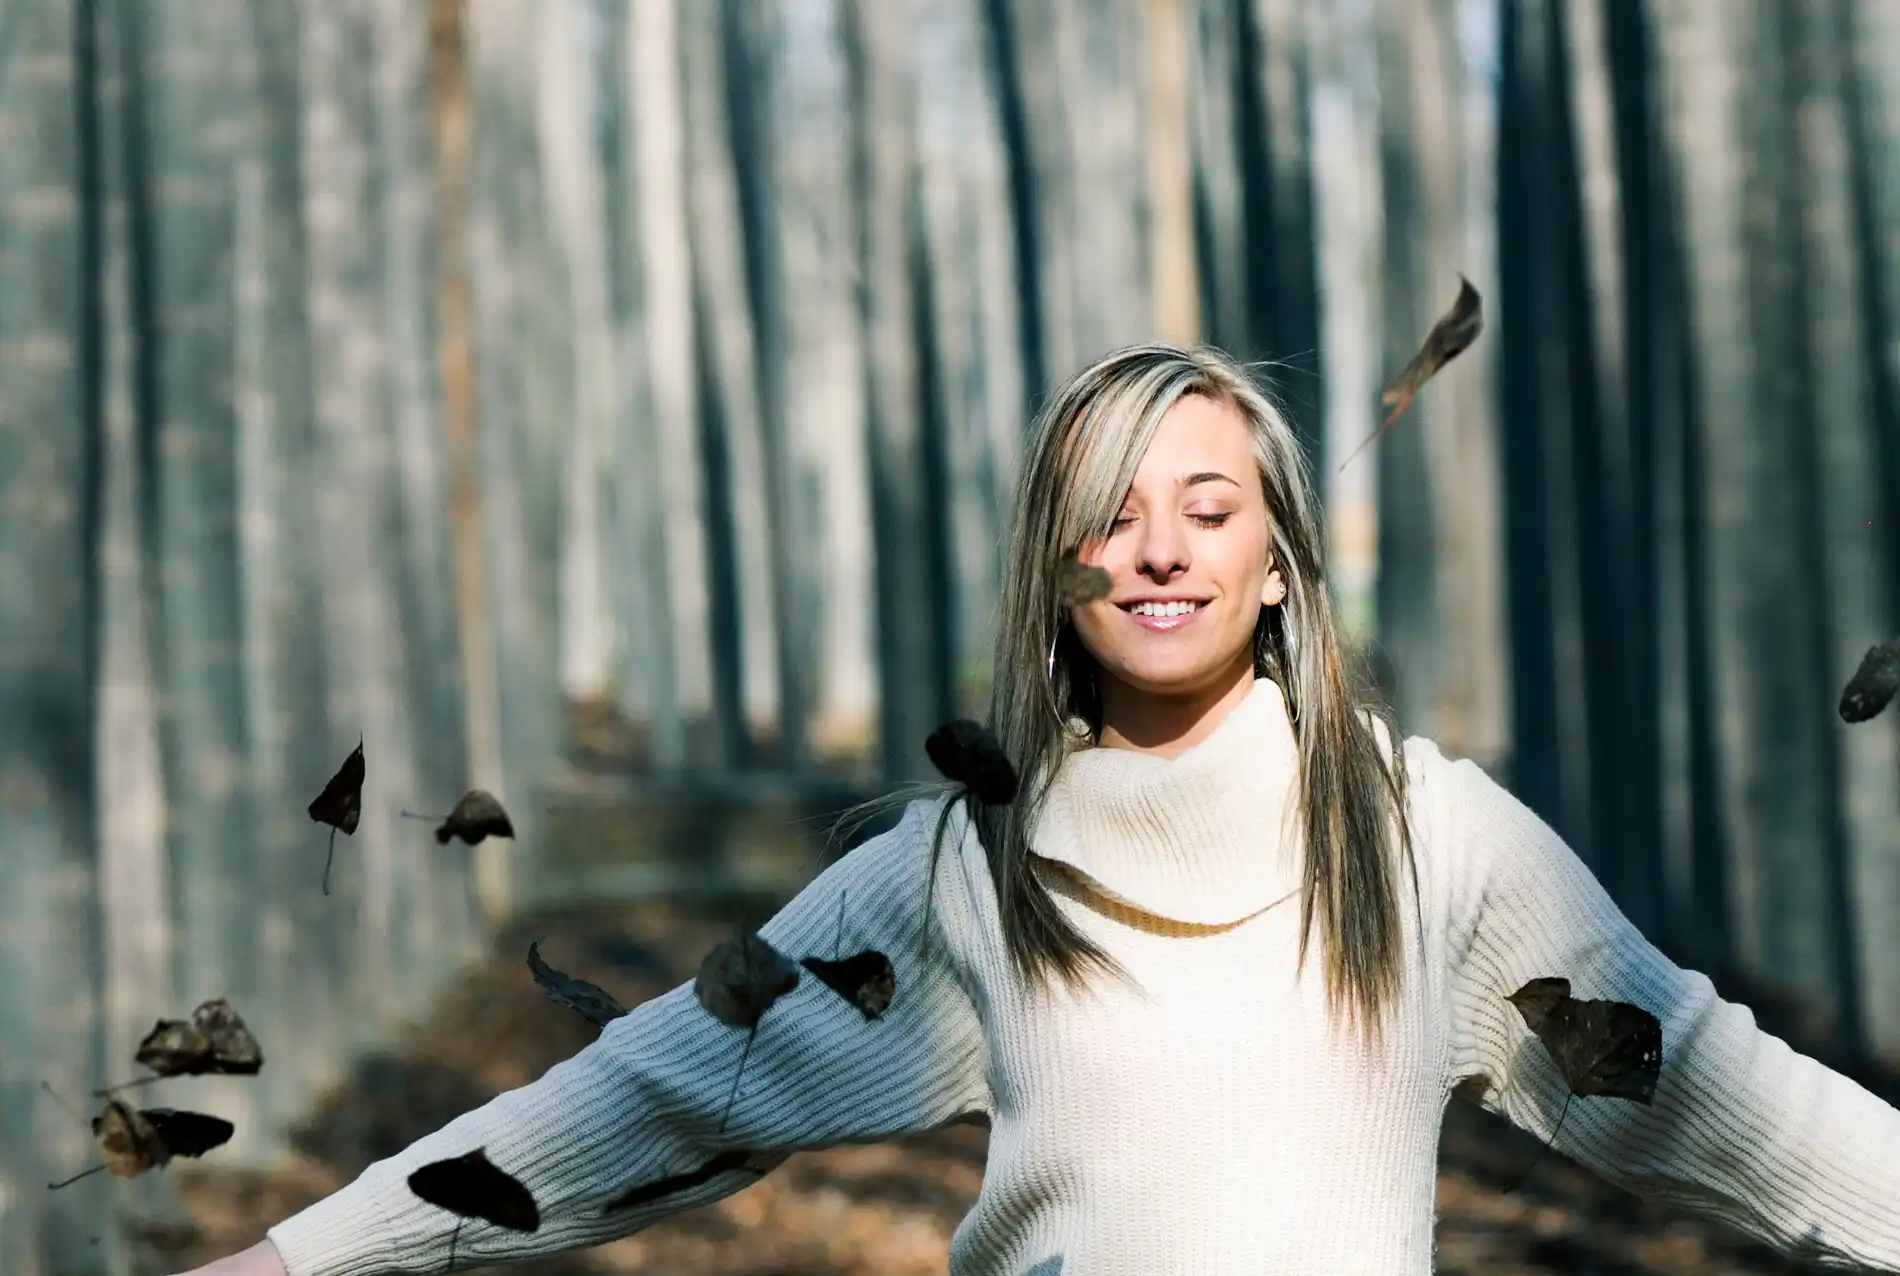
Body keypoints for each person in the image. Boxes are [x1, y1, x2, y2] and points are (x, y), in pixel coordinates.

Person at [177, 345, 1900, 1276]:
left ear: (1283, 566)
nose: (1158, 547)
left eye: (1208, 508)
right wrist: (297, 1266)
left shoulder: (1431, 840)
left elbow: (1716, 1094)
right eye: (1110, 514)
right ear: (1055, 571)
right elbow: (636, 1106)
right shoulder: (964, 869)